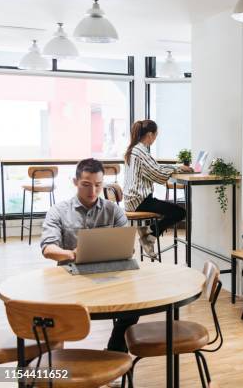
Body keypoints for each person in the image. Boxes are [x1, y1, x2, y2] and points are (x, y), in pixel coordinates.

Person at [40, 159, 137, 364]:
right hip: (70, 277)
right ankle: (57, 363)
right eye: (86, 184)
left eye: (98, 185)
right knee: (56, 312)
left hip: (110, 274)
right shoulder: (58, 211)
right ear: (75, 182)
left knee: (134, 305)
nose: (93, 191)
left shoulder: (114, 210)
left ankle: (116, 352)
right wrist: (72, 254)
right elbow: (48, 249)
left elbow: (128, 247)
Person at [123, 120, 193, 257]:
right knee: (180, 212)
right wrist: (179, 168)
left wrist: (175, 168)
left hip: (132, 200)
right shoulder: (141, 151)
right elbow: (158, 173)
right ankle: (148, 235)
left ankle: (147, 233)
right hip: (140, 201)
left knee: (174, 210)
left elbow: (155, 169)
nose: (155, 138)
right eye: (155, 135)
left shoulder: (134, 149)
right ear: (150, 135)